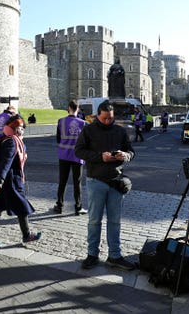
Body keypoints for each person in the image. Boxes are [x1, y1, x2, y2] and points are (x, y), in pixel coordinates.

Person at [75, 100, 136, 271]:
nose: (108, 121)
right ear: (97, 116)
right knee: (94, 221)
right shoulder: (88, 130)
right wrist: (100, 157)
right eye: (104, 119)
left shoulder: (119, 131)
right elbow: (78, 151)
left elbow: (131, 151)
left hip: (116, 182)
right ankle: (92, 254)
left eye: (110, 118)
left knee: (115, 221)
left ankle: (114, 255)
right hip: (96, 181)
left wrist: (125, 155)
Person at [0, 115, 41, 251]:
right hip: (9, 182)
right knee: (20, 208)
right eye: (21, 128)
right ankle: (25, 235)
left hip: (5, 181)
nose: (23, 131)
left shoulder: (8, 139)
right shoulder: (12, 142)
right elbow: (5, 162)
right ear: (16, 128)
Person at [54, 100, 87, 215]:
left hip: (63, 155)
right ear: (78, 109)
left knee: (62, 181)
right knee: (77, 182)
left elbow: (58, 139)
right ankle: (78, 207)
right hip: (77, 156)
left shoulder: (61, 121)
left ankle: (59, 205)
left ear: (68, 108)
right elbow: (86, 142)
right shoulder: (83, 123)